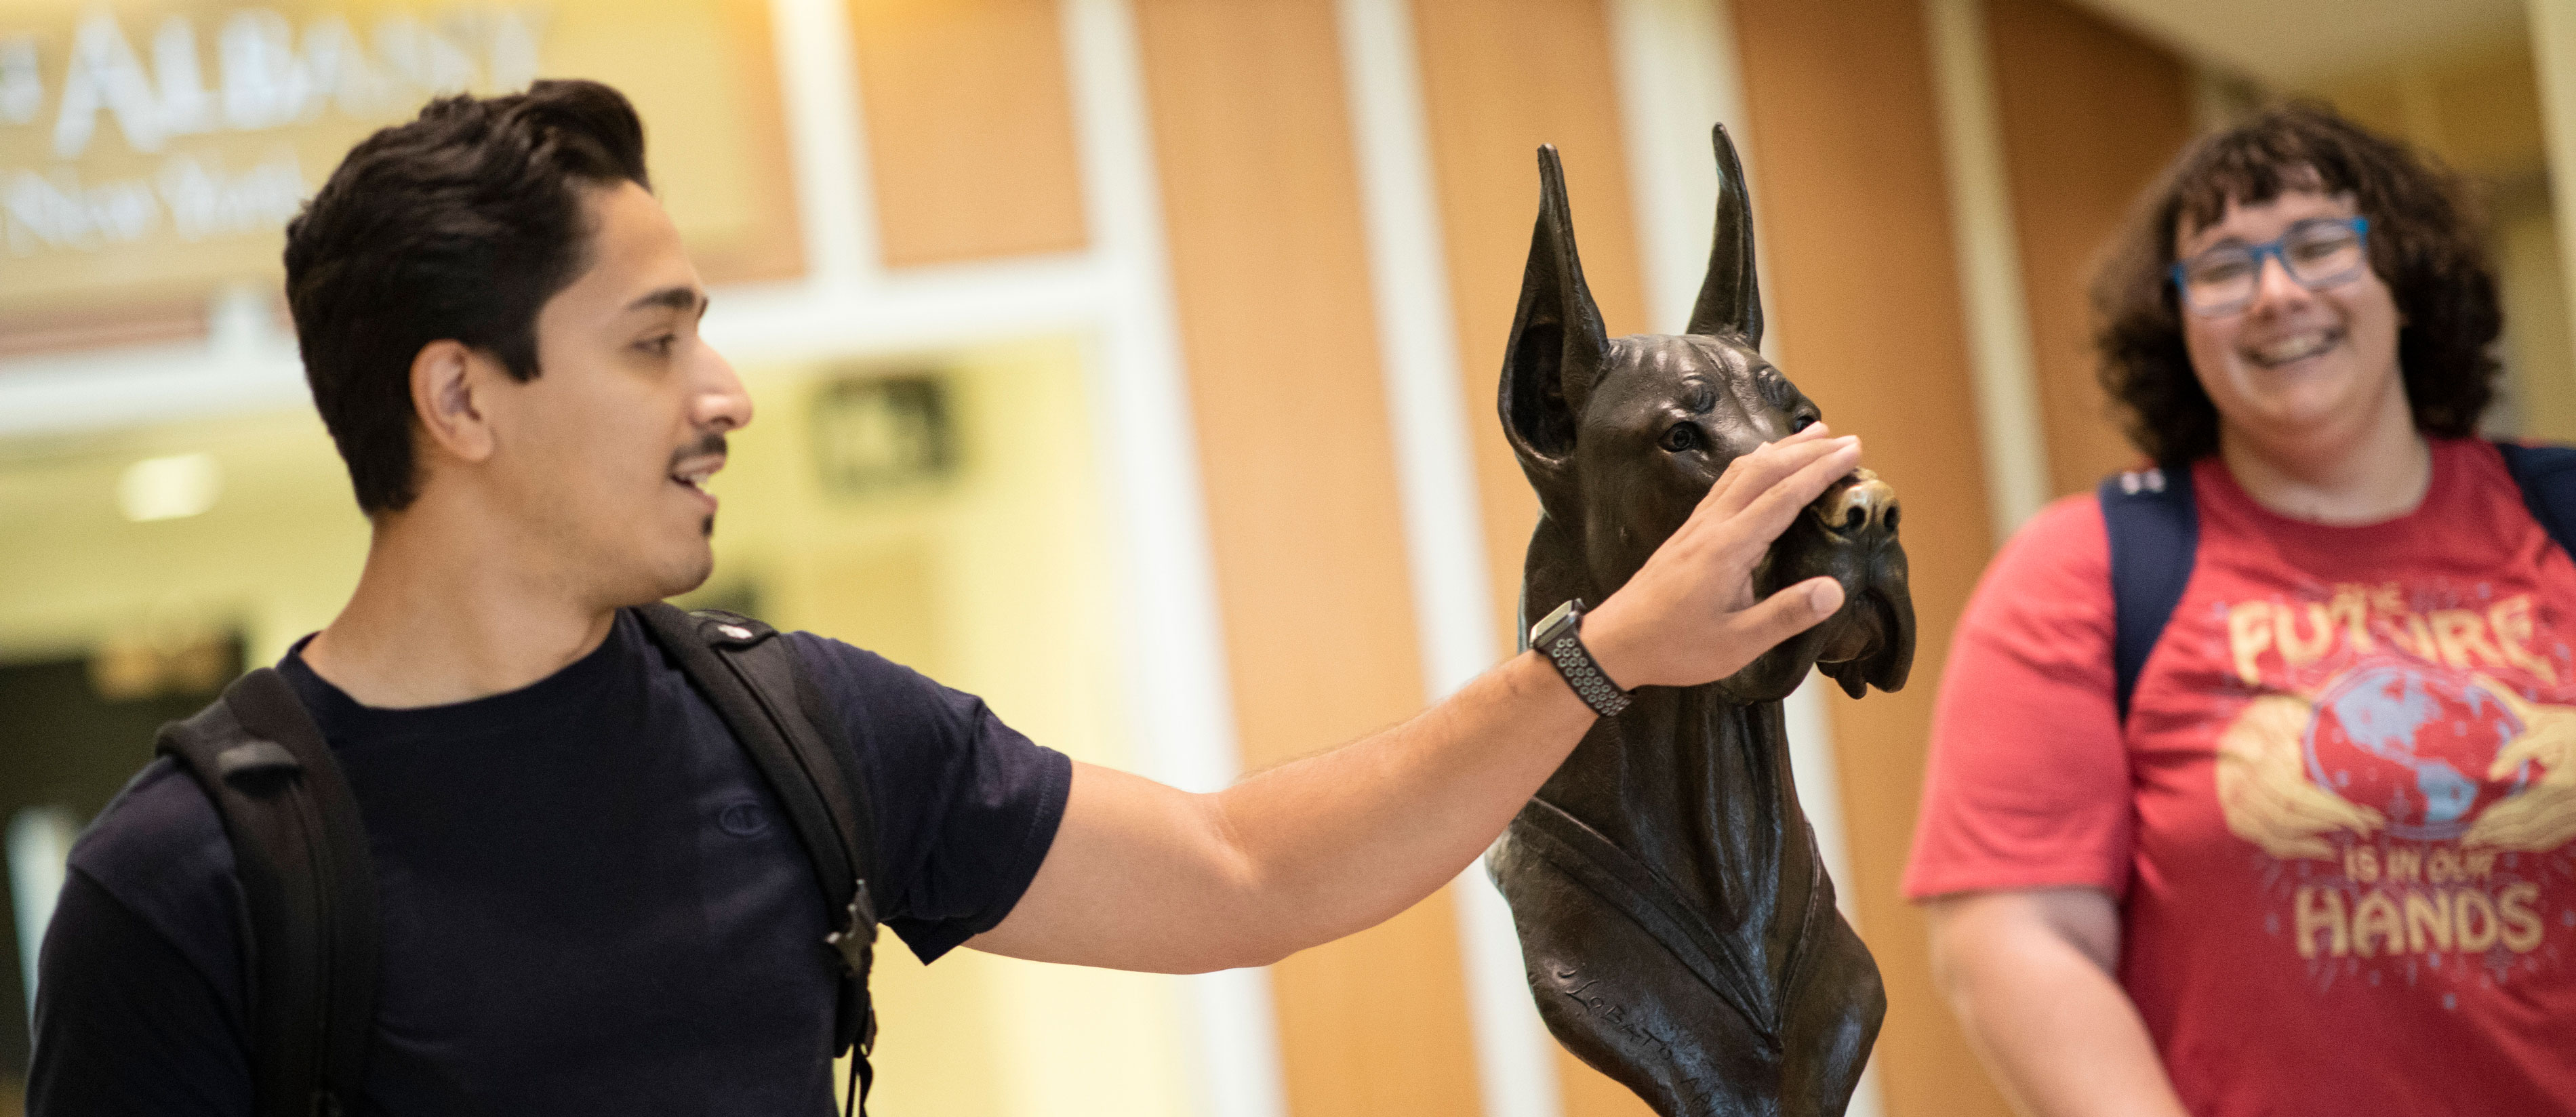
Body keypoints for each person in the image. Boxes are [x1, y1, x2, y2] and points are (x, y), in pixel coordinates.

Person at [28, 80, 1864, 1114]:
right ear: (460, 399)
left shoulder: (798, 732)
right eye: (658, 340)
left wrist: (1603, 659)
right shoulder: (189, 888)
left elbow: (1250, 872)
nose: (724, 394)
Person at [1905, 100, 2576, 1117]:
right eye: (2221, 268)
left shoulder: (2560, 518)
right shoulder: (2084, 567)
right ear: (2176, 322)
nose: (2275, 294)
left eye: (2318, 245)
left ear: (2402, 278)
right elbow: (2014, 938)